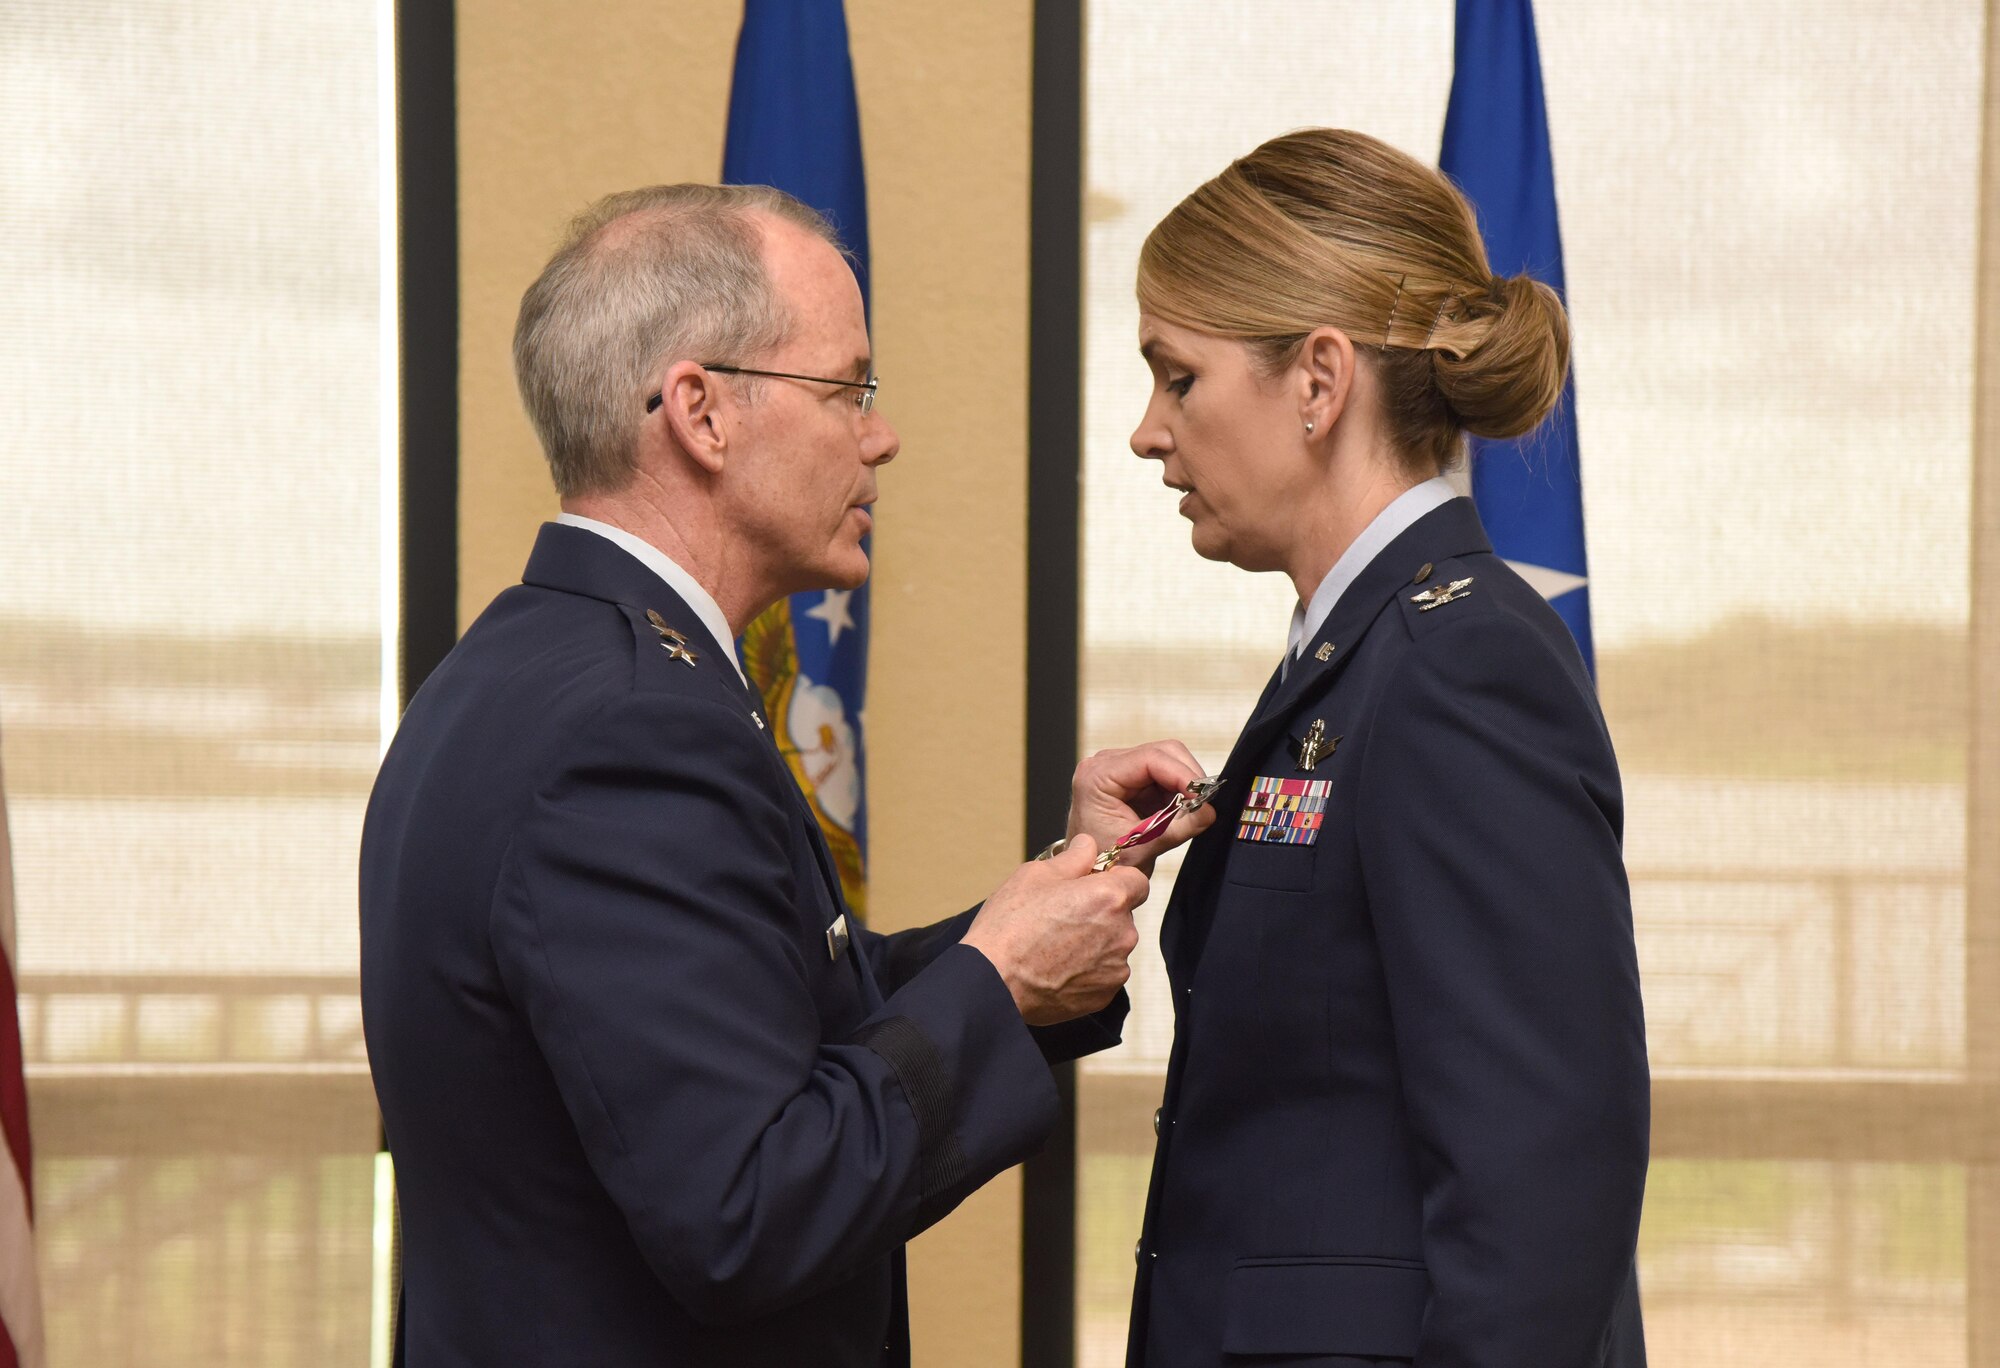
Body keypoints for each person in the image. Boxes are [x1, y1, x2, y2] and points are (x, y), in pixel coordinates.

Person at [360, 183, 1214, 1368]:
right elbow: (747, 1210)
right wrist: (998, 982)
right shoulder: (631, 732)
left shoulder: (536, 664)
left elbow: (769, 1016)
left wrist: (1045, 906)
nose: (881, 433)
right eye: (847, 388)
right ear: (701, 414)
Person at [1121, 129, 1650, 1367]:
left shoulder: (1458, 669)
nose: (1147, 433)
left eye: (1176, 377)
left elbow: (1539, 1193)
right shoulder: (1356, 652)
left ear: (1317, 381)